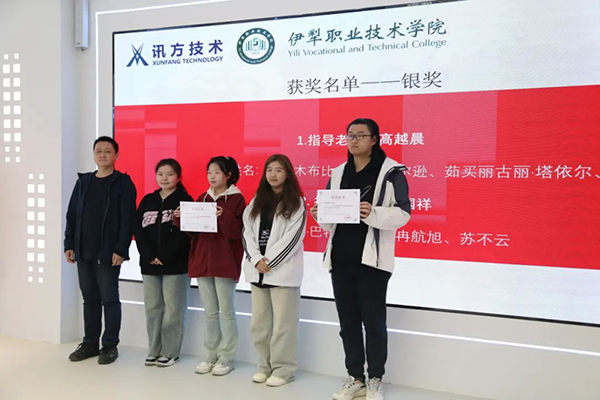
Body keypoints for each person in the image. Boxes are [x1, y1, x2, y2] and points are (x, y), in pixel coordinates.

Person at [310, 119, 411, 400]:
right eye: (350, 136)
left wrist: (373, 212)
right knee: (348, 324)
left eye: (360, 135)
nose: (353, 140)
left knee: (374, 324)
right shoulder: (338, 172)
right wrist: (319, 214)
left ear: (374, 139)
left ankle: (375, 378)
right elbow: (331, 221)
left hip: (372, 262)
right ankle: (355, 377)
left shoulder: (390, 172)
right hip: (341, 259)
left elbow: (403, 213)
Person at [64, 136, 137, 365]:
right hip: (83, 250)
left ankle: (110, 345)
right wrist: (69, 244)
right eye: (98, 151)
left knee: (109, 299)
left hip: (108, 253)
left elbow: (128, 220)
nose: (102, 155)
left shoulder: (123, 183)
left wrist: (121, 249)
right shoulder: (83, 182)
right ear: (94, 155)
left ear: (116, 155)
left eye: (107, 151)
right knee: (90, 299)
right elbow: (72, 215)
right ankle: (90, 343)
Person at [174, 156, 246, 376]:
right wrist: (180, 219)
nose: (212, 176)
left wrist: (224, 216)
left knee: (227, 312)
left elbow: (236, 233)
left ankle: (227, 358)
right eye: (209, 172)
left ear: (229, 175)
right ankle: (210, 355)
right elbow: (193, 232)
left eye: (217, 172)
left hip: (225, 262)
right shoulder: (202, 198)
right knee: (210, 312)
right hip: (203, 260)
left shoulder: (237, 199)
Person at [242, 154, 306, 387]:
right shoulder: (257, 201)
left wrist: (270, 261)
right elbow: (246, 232)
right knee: (259, 324)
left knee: (283, 326)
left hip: (282, 274)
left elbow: (293, 238)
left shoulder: (296, 202)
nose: (273, 174)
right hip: (258, 271)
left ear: (287, 174)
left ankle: (283, 369)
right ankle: (264, 366)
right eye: (269, 169)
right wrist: (256, 259)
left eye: (278, 170)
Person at [134, 159, 193, 367]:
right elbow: (138, 230)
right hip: (149, 264)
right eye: (160, 174)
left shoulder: (185, 201)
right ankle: (154, 350)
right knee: (153, 308)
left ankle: (170, 352)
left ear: (178, 177)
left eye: (169, 174)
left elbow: (186, 234)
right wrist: (150, 255)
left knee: (173, 309)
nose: (164, 178)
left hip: (175, 264)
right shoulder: (148, 200)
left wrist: (166, 256)